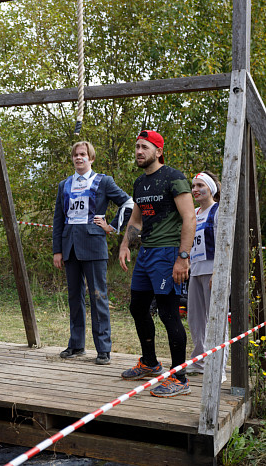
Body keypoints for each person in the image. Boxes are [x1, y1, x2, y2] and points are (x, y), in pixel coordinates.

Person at [118, 130, 196, 397]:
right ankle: (150, 363)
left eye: (144, 147)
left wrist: (183, 258)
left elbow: (189, 218)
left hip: (168, 253)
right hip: (147, 253)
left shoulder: (173, 178)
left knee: (168, 312)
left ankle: (179, 377)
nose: (139, 151)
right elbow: (137, 220)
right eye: (137, 147)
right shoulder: (140, 182)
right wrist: (126, 244)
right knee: (138, 307)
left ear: (158, 152)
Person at [53, 141, 134, 365]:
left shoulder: (103, 181)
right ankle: (77, 344)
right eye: (76, 155)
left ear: (91, 158)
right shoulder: (65, 184)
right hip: (69, 247)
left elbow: (128, 202)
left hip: (94, 246)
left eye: (83, 154)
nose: (79, 158)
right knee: (74, 298)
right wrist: (57, 250)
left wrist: (112, 225)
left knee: (98, 296)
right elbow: (59, 218)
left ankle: (103, 349)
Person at [187, 171, 227, 381]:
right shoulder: (192, 213)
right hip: (195, 270)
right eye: (193, 186)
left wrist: (218, 272)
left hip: (212, 270)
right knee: (195, 318)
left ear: (210, 188)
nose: (195, 190)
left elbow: (223, 243)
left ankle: (217, 367)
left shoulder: (218, 210)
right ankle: (200, 361)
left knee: (216, 319)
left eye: (200, 185)